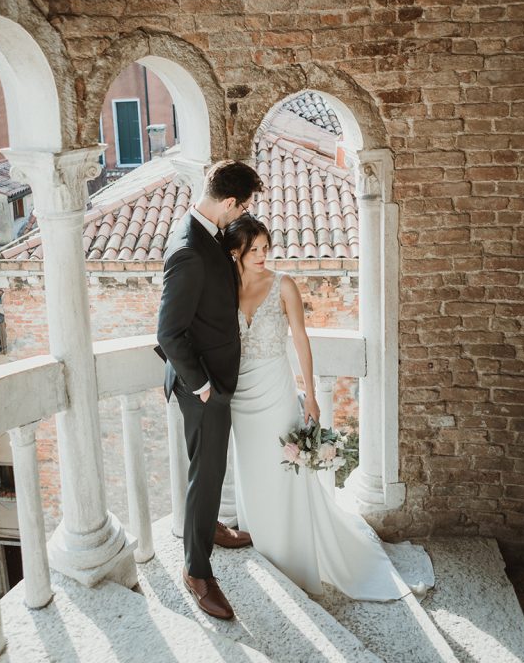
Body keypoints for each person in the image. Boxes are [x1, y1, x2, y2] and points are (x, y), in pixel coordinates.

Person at [225, 214, 427, 601]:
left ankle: (296, 553)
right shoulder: (226, 287)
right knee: (251, 469)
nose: (264, 255)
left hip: (274, 389)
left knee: (284, 469)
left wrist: (312, 395)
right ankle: (264, 542)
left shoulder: (283, 285)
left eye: (267, 248)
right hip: (240, 393)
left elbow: (300, 339)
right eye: (255, 250)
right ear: (237, 252)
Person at [156, 160, 264, 621]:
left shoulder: (207, 229)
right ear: (228, 202)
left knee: (212, 473)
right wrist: (201, 386)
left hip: (215, 378)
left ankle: (211, 527)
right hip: (202, 385)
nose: (244, 214)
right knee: (207, 473)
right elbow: (169, 333)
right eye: (244, 206)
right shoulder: (189, 250)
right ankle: (197, 571)